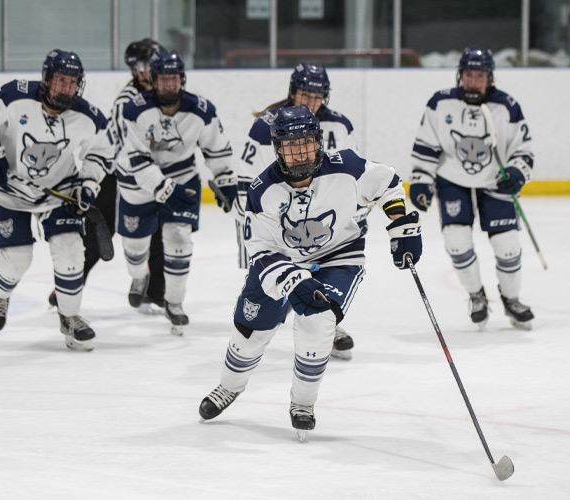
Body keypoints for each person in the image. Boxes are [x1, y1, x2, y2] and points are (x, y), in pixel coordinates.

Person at [198, 105, 422, 440]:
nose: (299, 154)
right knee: (249, 331)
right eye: (290, 147)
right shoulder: (263, 191)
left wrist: (401, 224)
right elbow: (260, 250)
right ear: (277, 150)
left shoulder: (346, 167)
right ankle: (229, 387)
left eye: (305, 144)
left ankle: (302, 403)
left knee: (317, 321)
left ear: (318, 142)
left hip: (338, 254)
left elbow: (387, 182)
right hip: (283, 262)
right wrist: (291, 280)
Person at [0, 49, 113, 351]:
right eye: (60, 81)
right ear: (46, 79)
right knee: (18, 258)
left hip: (59, 192)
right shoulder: (13, 97)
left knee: (71, 251)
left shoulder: (88, 117)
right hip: (9, 189)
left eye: (72, 83)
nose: (65, 88)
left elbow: (101, 151)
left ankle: (70, 318)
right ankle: (0, 296)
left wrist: (88, 181)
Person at [233, 62, 361, 360]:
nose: (312, 102)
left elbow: (351, 173)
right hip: (276, 217)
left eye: (318, 96)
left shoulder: (340, 125)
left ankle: (326, 326)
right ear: (292, 92)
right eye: (306, 94)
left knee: (323, 267)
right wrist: (248, 217)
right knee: (272, 273)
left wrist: (356, 212)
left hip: (321, 217)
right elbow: (247, 175)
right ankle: (259, 325)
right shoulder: (267, 125)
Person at [408, 47, 535, 330]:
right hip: (452, 180)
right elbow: (426, 145)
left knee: (508, 246)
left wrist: (517, 171)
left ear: (490, 78)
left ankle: (511, 299)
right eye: (469, 74)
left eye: (480, 75)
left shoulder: (508, 106)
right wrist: (420, 178)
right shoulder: (440, 103)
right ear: (460, 75)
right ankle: (476, 296)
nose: (474, 81)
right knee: (457, 241)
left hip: (495, 181)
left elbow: (523, 149)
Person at [114, 49, 237, 336]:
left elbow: (215, 148)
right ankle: (139, 276)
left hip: (181, 176)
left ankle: (175, 302)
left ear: (182, 79)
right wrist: (163, 188)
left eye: (174, 79)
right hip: (137, 182)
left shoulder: (201, 111)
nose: (170, 85)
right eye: (164, 79)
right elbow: (137, 159)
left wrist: (225, 178)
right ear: (153, 80)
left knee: (178, 239)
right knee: (135, 249)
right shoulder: (134, 109)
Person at [47, 38, 170, 314]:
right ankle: (68, 285)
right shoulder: (128, 100)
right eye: (139, 66)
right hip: (116, 176)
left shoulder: (166, 95)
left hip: (149, 176)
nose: (144, 71)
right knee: (96, 234)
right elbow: (125, 145)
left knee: (159, 231)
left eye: (149, 64)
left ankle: (154, 290)